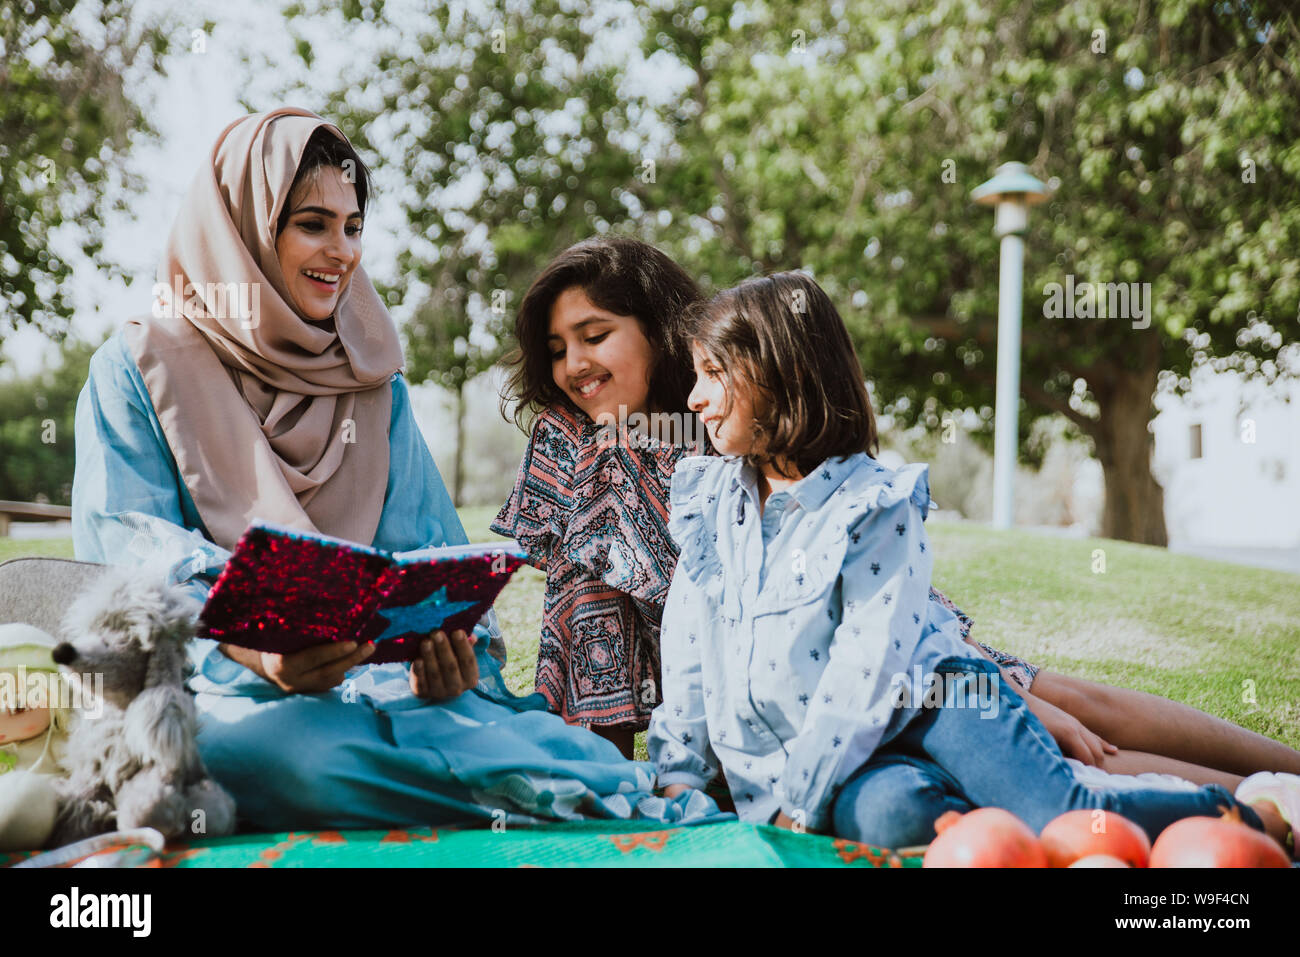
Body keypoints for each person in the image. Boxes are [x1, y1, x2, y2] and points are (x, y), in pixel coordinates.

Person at [71, 108, 718, 832]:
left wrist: (448, 652)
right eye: (313, 224)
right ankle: (516, 794)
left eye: (353, 228)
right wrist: (257, 651)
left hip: (389, 689)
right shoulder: (137, 371)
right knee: (281, 757)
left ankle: (554, 785)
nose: (341, 251)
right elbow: (127, 569)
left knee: (552, 746)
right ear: (244, 230)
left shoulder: (372, 377)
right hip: (219, 692)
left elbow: (425, 554)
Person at [647, 271, 1299, 850]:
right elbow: (689, 657)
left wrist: (797, 799)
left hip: (938, 700)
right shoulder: (708, 506)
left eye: (713, 372)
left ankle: (1256, 810)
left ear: (781, 370)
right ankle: (984, 817)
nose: (695, 398)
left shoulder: (875, 505)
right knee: (894, 816)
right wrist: (679, 777)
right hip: (849, 760)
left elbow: (865, 669)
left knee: (1066, 810)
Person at [491, 238, 707, 758]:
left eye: (594, 336)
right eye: (558, 350)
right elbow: (584, 605)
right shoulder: (571, 442)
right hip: (664, 727)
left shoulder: (725, 416)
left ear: (658, 329)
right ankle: (602, 759)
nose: (574, 365)